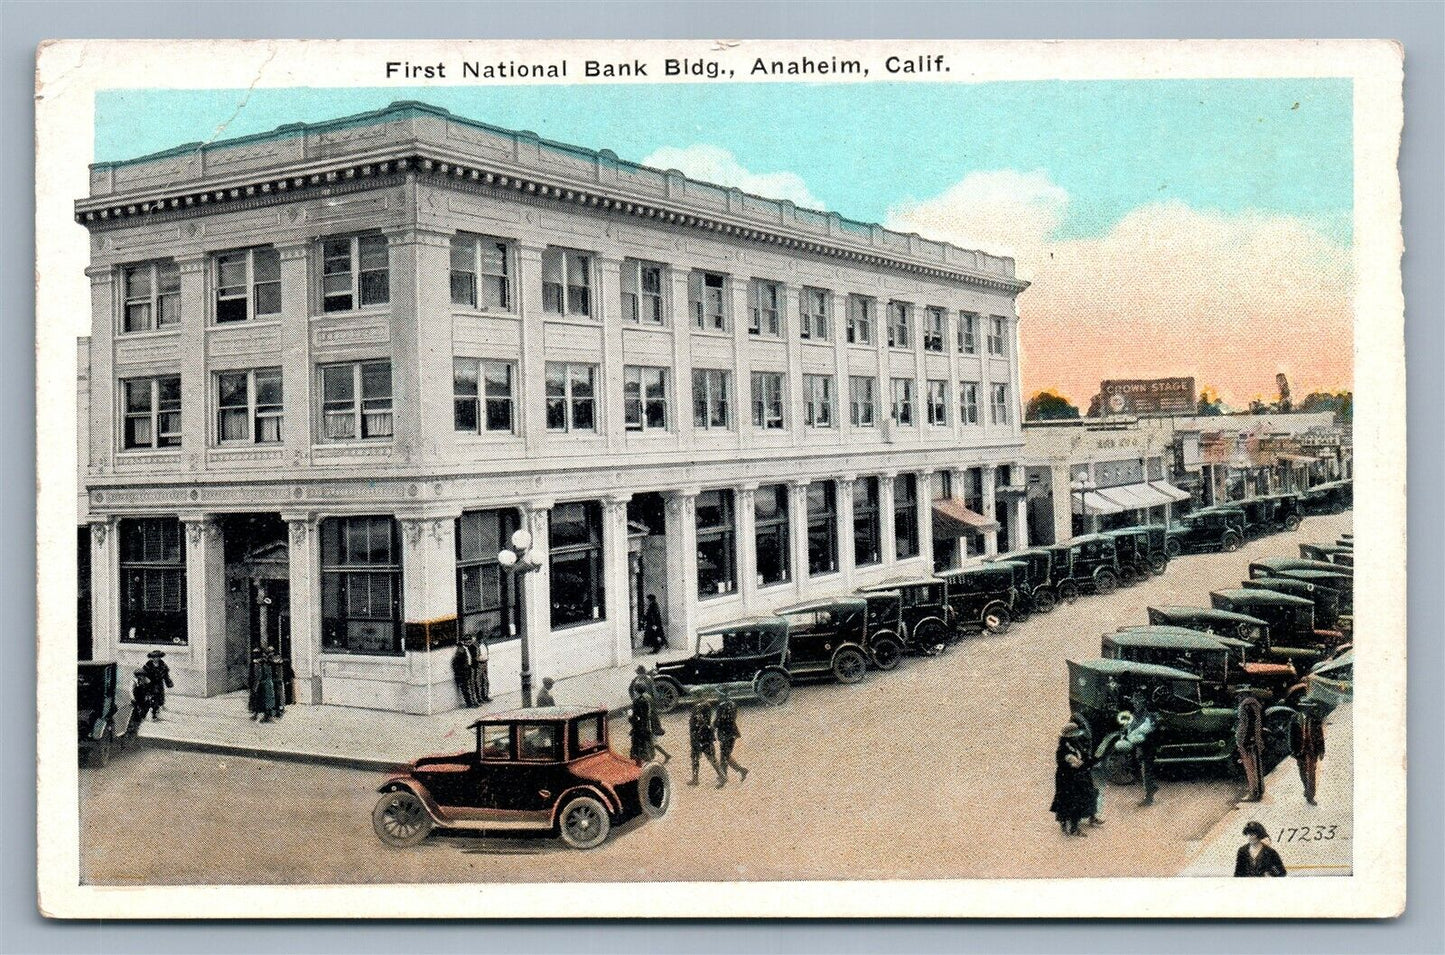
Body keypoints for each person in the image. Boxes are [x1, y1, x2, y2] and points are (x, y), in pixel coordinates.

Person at [1049, 722, 1096, 837]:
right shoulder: (1063, 750)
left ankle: (1081, 822)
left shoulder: (1076, 744)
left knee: (1082, 797)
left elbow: (1083, 757)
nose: (1077, 737)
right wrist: (1075, 763)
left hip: (1077, 776)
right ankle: (1069, 826)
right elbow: (1067, 762)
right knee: (1069, 801)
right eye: (1075, 735)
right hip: (1067, 778)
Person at [1122, 693, 1159, 807]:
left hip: (1146, 746)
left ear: (1143, 703)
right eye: (1135, 702)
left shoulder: (1148, 716)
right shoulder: (1135, 716)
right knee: (1142, 770)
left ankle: (1149, 796)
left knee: (1146, 771)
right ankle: (1151, 788)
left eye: (1139, 702)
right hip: (1140, 746)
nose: (1137, 704)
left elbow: (1145, 730)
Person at [1290, 704, 1327, 805]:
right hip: (1300, 751)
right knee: (1302, 772)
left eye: (1309, 707)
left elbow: (1320, 736)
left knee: (1311, 773)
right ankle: (1306, 788)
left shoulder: (1315, 719)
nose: (1308, 709)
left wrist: (1321, 751)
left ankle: (1311, 796)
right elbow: (1292, 736)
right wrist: (1293, 751)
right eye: (1305, 707)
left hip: (1311, 751)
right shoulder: (1295, 718)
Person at [1236, 690, 1267, 802]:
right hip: (1250, 740)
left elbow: (1249, 725)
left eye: (1240, 695)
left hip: (1248, 741)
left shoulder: (1247, 706)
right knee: (1255, 767)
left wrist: (1247, 741)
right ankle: (1257, 790)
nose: (1239, 697)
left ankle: (1254, 792)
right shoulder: (1253, 706)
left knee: (1251, 768)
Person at [714, 688, 748, 786]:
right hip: (732, 732)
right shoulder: (733, 704)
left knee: (724, 757)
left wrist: (712, 727)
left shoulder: (721, 706)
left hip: (724, 734)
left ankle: (724, 778)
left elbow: (718, 721)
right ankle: (741, 771)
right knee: (726, 755)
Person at [688, 698, 724, 787]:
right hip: (699, 737)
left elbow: (701, 722)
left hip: (702, 737)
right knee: (695, 758)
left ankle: (722, 776)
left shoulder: (700, 707)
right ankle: (695, 779)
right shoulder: (704, 706)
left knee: (710, 758)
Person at [141, 650, 173, 719]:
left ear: (160, 657)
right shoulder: (147, 665)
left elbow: (166, 675)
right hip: (150, 684)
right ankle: (149, 713)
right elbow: (143, 674)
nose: (156, 659)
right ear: (151, 658)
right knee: (150, 698)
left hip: (159, 684)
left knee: (159, 698)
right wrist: (145, 680)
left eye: (158, 657)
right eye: (154, 657)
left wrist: (168, 683)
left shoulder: (163, 665)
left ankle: (156, 711)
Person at [249, 645, 277, 723]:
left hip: (266, 683)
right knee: (259, 700)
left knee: (267, 700)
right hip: (262, 683)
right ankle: (258, 714)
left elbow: (262, 674)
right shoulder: (260, 662)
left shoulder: (265, 662)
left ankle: (267, 716)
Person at [629, 691, 657, 765]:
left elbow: (634, 716)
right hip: (646, 725)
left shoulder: (637, 702)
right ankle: (649, 759)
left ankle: (639, 762)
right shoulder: (648, 698)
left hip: (639, 727)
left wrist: (630, 717)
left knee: (638, 745)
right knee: (648, 743)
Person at [452, 637, 478, 707]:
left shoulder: (467, 648)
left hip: (468, 669)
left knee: (470, 686)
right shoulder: (461, 650)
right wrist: (460, 671)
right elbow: (455, 662)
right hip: (463, 671)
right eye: (467, 642)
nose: (469, 643)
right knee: (466, 688)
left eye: (469, 642)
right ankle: (469, 703)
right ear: (464, 642)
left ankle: (473, 702)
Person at [473, 636, 491, 704]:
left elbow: (486, 651)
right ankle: (479, 698)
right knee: (478, 681)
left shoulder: (484, 644)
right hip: (479, 664)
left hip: (485, 663)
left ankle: (485, 696)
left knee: (485, 680)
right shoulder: (475, 646)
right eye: (479, 639)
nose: (481, 640)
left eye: (482, 638)